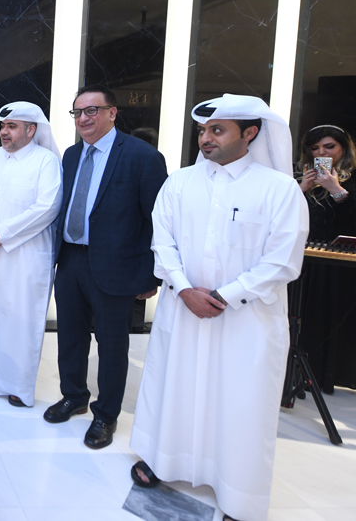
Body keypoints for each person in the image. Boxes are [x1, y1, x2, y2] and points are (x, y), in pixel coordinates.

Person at [130, 94, 307, 521]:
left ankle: (238, 495)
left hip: (246, 321)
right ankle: (166, 461)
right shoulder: (180, 182)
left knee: (240, 402)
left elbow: (284, 260)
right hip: (184, 309)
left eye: (217, 130)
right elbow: (163, 242)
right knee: (177, 387)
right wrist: (185, 289)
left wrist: (229, 295)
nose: (205, 138)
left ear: (250, 133)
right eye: (203, 130)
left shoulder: (278, 188)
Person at [44, 85, 167, 449]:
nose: (83, 118)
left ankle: (105, 414)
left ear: (113, 113)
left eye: (92, 111)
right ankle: (74, 395)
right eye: (78, 112)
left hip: (116, 268)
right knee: (70, 335)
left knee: (112, 345)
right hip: (70, 260)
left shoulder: (142, 157)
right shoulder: (70, 155)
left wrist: (151, 274)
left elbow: (156, 221)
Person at [0, 102, 62, 406]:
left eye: (12, 126)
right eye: (3, 127)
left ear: (31, 130)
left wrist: (2, 234)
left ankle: (17, 386)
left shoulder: (46, 161)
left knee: (18, 320)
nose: (4, 133)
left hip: (24, 255)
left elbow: (47, 207)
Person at [296, 124, 356, 393]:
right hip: (305, 258)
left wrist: (337, 190)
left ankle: (332, 373)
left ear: (344, 148)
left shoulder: (352, 177)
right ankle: (298, 374)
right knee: (301, 314)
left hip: (340, 263)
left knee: (333, 313)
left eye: (329, 147)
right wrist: (301, 190)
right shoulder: (301, 176)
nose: (322, 153)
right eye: (315, 148)